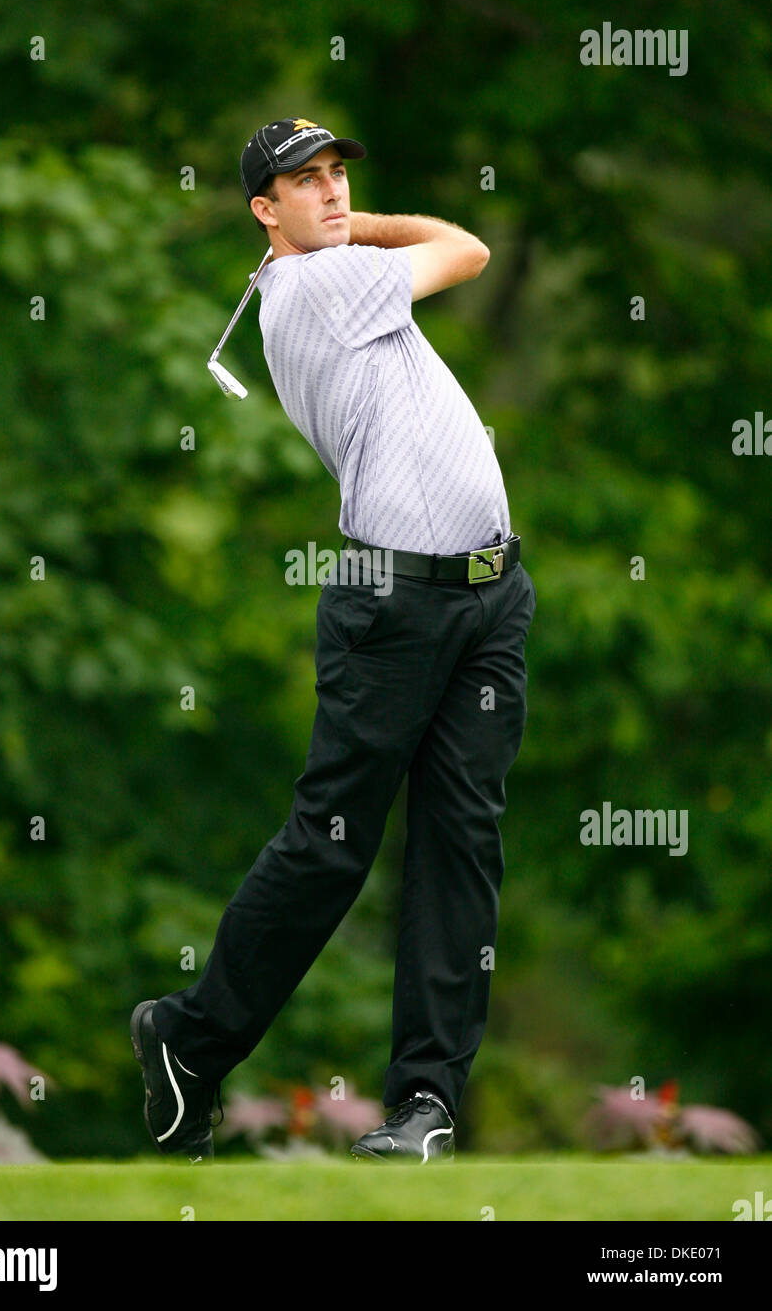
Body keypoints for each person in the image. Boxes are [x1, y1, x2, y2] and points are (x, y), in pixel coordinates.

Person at [131, 116, 536, 1162]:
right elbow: (465, 248)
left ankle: (425, 1104)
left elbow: (428, 251)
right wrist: (347, 237)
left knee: (460, 846)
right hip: (392, 606)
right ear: (263, 211)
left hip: (491, 593)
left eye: (335, 176)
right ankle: (188, 1037)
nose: (330, 193)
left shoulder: (340, 270)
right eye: (300, 184)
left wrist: (343, 228)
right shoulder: (315, 287)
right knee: (333, 844)